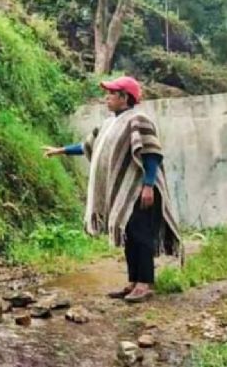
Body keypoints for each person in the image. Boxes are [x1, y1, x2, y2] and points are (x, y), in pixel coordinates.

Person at [43, 76, 182, 303]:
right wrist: (60, 150)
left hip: (140, 190)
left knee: (141, 235)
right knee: (129, 236)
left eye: (111, 94)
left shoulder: (139, 120)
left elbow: (151, 154)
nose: (106, 98)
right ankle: (132, 282)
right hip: (125, 195)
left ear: (124, 97)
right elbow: (88, 146)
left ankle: (145, 284)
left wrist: (148, 185)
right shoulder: (109, 125)